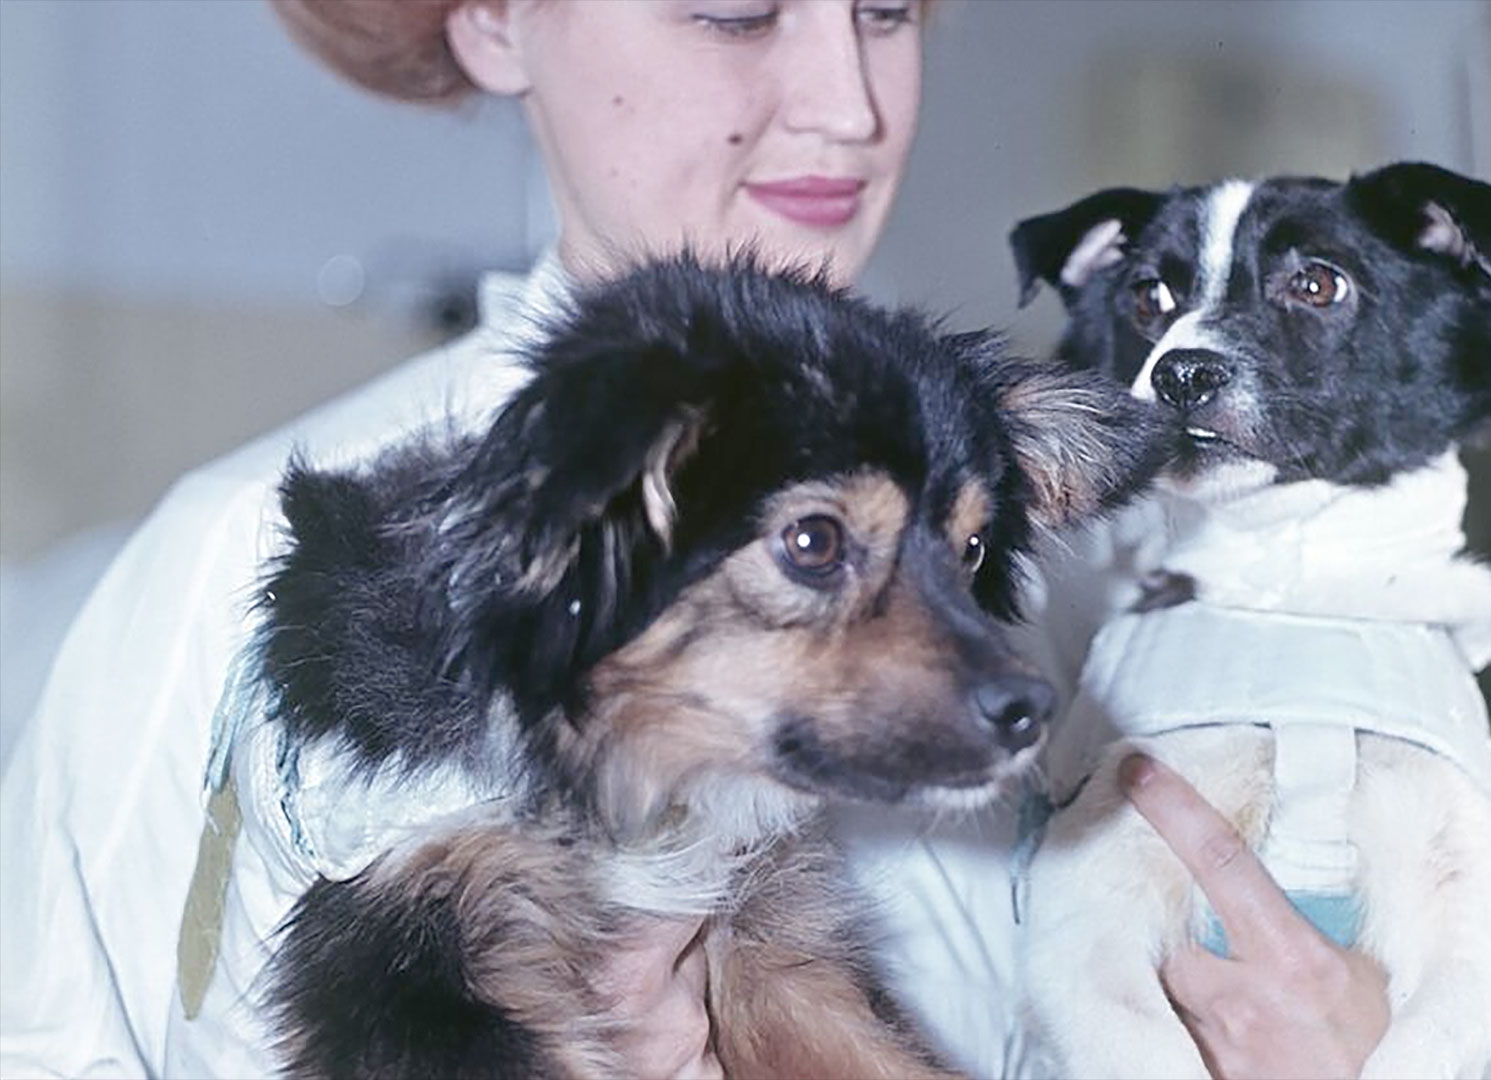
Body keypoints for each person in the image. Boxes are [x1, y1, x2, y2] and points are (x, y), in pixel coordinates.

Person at [0, 2, 1389, 1077]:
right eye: (734, 6)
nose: (849, 104)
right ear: (492, 18)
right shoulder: (232, 567)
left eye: (889, 10)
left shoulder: (1106, 582)